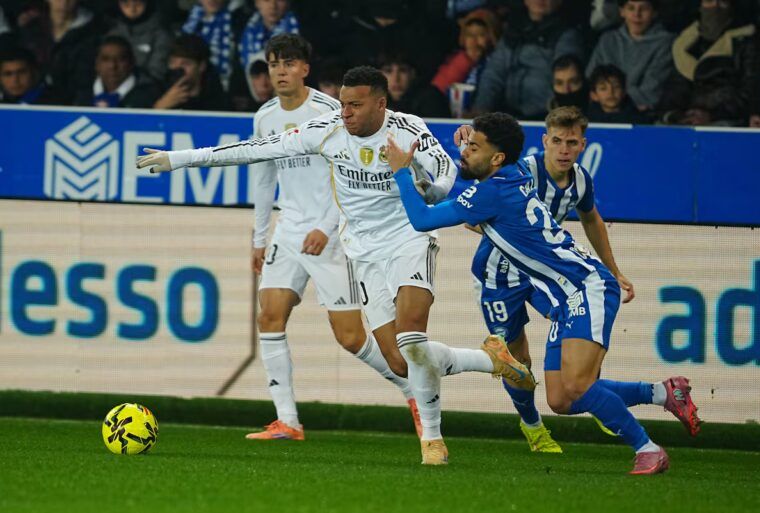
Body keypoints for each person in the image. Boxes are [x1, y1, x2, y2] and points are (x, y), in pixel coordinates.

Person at [136, 65, 536, 466]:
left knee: (412, 340)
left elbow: (447, 175)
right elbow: (255, 149)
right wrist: (179, 159)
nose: (345, 112)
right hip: (362, 253)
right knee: (399, 360)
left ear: (381, 104)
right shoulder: (326, 129)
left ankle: (432, 441)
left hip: (408, 239)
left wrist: (423, 186)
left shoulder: (409, 129)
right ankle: (492, 360)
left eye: (356, 105)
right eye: (343, 103)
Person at [389, 112, 701, 475]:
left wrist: (401, 169)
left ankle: (647, 448)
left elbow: (422, 220)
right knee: (560, 399)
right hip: (565, 297)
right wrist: (470, 141)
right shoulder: (516, 171)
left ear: (496, 159)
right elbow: (493, 157)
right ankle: (663, 393)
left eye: (474, 147)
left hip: (587, 287)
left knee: (579, 385)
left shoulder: (493, 191)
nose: (465, 152)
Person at [242, 34, 420, 441]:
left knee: (351, 337)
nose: (280, 71)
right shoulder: (264, 117)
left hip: (331, 234)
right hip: (288, 232)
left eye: (288, 63)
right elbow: (263, 177)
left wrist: (326, 225)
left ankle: (414, 391)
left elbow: (350, 176)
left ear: (305, 69)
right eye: (273, 64)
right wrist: (259, 238)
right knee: (268, 315)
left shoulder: (329, 113)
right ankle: (287, 420)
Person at [454, 106, 634, 452]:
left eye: (571, 142)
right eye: (557, 141)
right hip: (499, 275)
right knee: (518, 360)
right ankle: (533, 426)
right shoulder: (521, 171)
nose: (564, 150)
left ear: (582, 144)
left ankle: (589, 394)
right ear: (544, 142)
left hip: (547, 277)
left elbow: (592, 219)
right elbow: (471, 214)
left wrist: (613, 269)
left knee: (578, 324)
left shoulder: (581, 180)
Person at [471, 0, 584, 120]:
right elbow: (493, 74)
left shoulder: (567, 35)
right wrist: (481, 109)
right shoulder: (513, 31)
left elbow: (566, 73)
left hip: (547, 119)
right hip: (507, 116)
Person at [657, 0, 756, 126]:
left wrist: (712, 115)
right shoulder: (684, 43)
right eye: (709, 1)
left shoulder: (745, 42)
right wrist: (674, 114)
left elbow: (748, 92)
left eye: (722, 2)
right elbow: (674, 88)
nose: (715, 7)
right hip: (686, 116)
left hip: (725, 118)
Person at [587, 0, 674, 112]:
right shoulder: (608, 39)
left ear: (654, 13)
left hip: (641, 114)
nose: (637, 14)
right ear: (622, 11)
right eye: (631, 8)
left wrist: (610, 97)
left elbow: (651, 92)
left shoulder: (665, 42)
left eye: (644, 9)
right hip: (603, 111)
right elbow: (591, 79)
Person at [74, 35, 159, 108]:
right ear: (96, 64)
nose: (112, 66)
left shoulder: (149, 96)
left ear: (132, 62)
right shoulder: (82, 96)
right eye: (105, 59)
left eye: (120, 59)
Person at [153, 34, 230, 111]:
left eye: (185, 63)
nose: (176, 68)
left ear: (201, 66)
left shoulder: (218, 100)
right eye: (172, 62)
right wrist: (161, 106)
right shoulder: (155, 92)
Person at [108, 0, 173, 82]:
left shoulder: (161, 35)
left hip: (146, 89)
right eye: (126, 4)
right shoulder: (112, 34)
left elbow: (157, 73)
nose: (132, 9)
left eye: (138, 3)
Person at [379, 52, 450, 119]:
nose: (396, 78)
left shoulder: (431, 99)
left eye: (403, 70)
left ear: (413, 74)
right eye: (388, 71)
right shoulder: (375, 98)